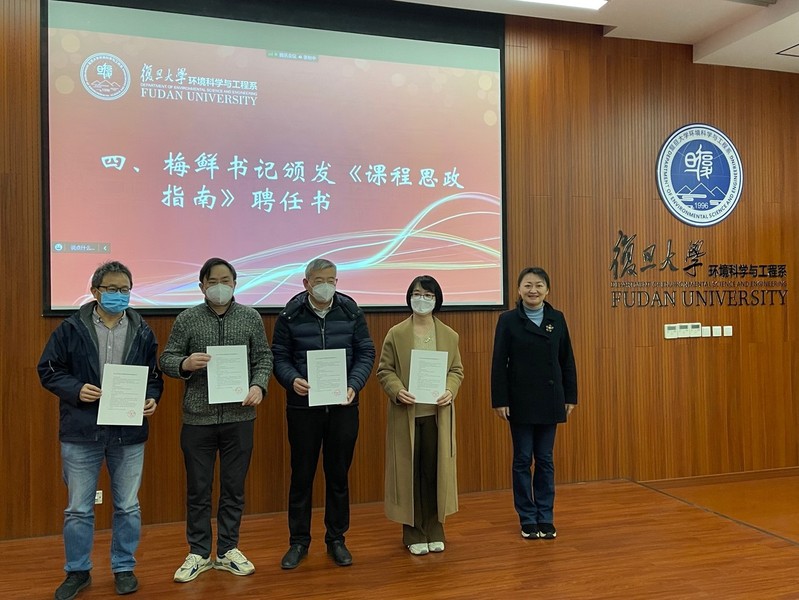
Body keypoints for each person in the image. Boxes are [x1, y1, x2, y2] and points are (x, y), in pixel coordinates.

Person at [38, 261, 163, 599]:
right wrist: (76, 389)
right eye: (112, 289)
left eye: (125, 290)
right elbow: (48, 369)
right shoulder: (70, 328)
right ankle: (78, 571)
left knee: (128, 506)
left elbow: (153, 377)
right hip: (82, 431)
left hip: (128, 432)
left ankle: (124, 567)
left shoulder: (142, 330)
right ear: (95, 291)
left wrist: (152, 398)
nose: (119, 295)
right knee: (78, 509)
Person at [160, 257, 272, 583]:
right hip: (198, 419)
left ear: (235, 284)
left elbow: (263, 357)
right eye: (213, 281)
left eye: (226, 280)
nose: (219, 286)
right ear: (202, 286)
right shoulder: (188, 318)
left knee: (234, 488)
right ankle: (198, 552)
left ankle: (227, 550)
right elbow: (166, 359)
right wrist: (184, 363)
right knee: (198, 489)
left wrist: (258, 385)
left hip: (240, 416)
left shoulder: (250, 317)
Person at [272, 258, 375, 570]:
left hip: (343, 407)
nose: (325, 285)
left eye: (331, 280)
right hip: (303, 409)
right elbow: (279, 356)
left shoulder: (351, 311)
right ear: (306, 283)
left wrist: (354, 384)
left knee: (338, 476)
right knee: (301, 476)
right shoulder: (290, 314)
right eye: (319, 280)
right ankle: (298, 542)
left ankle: (336, 539)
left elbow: (365, 352)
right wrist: (291, 379)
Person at [377, 275, 464, 555]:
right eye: (417, 293)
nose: (422, 299)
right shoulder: (396, 333)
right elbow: (385, 370)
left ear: (437, 300)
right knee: (410, 475)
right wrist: (397, 390)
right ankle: (413, 532)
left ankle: (435, 529)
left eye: (428, 295)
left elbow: (456, 371)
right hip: (407, 415)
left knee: (434, 473)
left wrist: (450, 390)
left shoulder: (449, 335)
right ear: (409, 297)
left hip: (437, 416)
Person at [490, 267, 577, 540]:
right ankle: (527, 518)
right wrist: (500, 400)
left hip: (550, 399)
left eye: (539, 285)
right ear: (519, 289)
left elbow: (567, 360)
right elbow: (498, 363)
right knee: (522, 459)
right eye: (527, 285)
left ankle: (546, 517)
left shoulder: (557, 318)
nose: (533, 290)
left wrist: (570, 396)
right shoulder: (508, 320)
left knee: (545, 459)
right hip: (520, 401)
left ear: (547, 290)